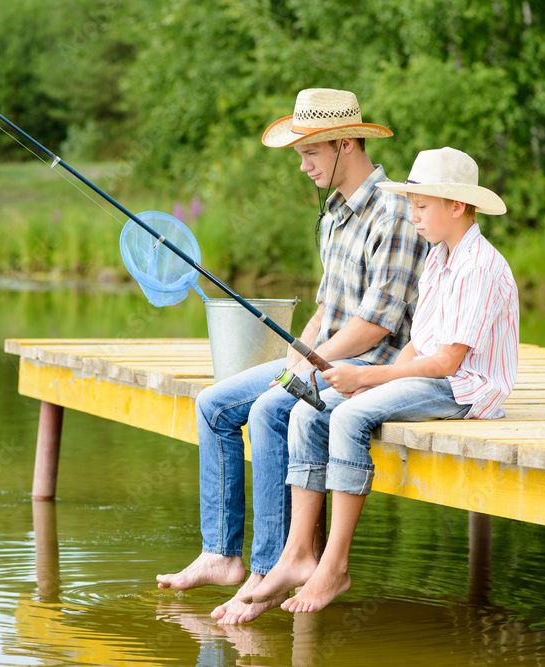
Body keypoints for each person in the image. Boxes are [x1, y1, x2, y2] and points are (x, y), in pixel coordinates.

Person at [155, 88, 431, 625]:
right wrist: (296, 355)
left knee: (269, 411)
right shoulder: (333, 214)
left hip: (371, 368)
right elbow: (328, 306)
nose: (302, 166)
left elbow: (378, 322)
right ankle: (221, 554)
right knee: (213, 404)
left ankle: (272, 565)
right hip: (323, 356)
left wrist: (311, 364)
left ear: (345, 143)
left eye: (310, 153)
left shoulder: (394, 211)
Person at [242, 146, 520, 616]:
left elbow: (447, 363)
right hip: (432, 374)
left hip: (466, 389)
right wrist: (367, 381)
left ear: (457, 206)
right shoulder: (437, 258)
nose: (412, 214)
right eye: (410, 204)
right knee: (310, 412)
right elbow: (418, 344)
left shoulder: (480, 267)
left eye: (422, 205)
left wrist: (367, 377)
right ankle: (296, 554)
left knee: (348, 417)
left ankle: (334, 566)